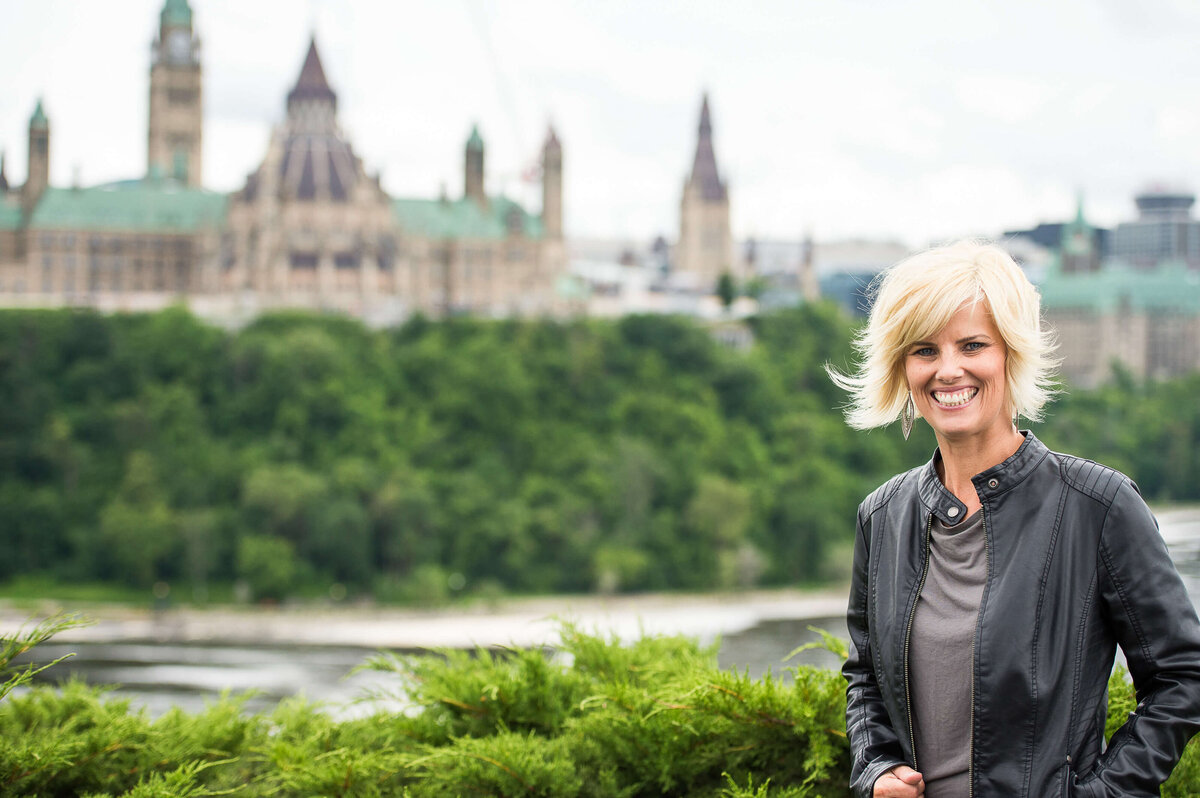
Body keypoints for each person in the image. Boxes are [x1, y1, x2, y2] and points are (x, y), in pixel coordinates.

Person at [828, 240, 1200, 797]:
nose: (948, 369)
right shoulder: (882, 515)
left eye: (972, 345)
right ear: (902, 367)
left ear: (1012, 354)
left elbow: (1182, 677)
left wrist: (1101, 794)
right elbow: (865, 677)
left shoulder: (1098, 505)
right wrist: (875, 767)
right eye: (924, 350)